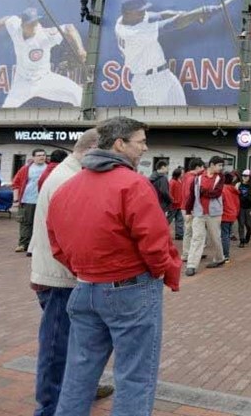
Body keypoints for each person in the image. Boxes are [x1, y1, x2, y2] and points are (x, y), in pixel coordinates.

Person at [47, 117, 181, 415]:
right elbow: (155, 241)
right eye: (141, 142)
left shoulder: (67, 188)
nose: (145, 148)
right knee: (135, 375)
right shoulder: (133, 184)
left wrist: (84, 268)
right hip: (130, 289)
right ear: (120, 144)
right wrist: (163, 271)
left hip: (84, 288)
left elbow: (56, 242)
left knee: (78, 374)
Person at [27, 128, 114, 415]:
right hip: (61, 280)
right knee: (57, 349)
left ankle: (81, 387)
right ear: (92, 151)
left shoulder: (72, 174)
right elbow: (71, 238)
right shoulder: (68, 179)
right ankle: (50, 407)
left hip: (63, 276)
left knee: (78, 345)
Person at [112, 0, 229, 106]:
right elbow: (172, 24)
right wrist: (202, 11)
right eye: (140, 11)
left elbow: (161, 15)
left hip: (165, 76)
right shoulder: (133, 33)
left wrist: (192, 15)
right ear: (128, 13)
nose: (143, 13)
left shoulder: (124, 20)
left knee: (181, 117)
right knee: (155, 123)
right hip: (147, 84)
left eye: (143, 10)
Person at [0, 8, 87, 108]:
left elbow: (69, 28)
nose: (34, 26)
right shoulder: (15, 26)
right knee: (6, 111)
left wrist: (80, 48)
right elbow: (4, 20)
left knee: (78, 93)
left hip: (44, 79)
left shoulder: (45, 35)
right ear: (22, 24)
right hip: (22, 82)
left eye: (35, 22)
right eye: (30, 23)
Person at [185, 156, 226, 276]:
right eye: (219, 165)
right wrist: (188, 212)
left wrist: (203, 191)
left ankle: (219, 259)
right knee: (197, 238)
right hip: (199, 212)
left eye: (222, 166)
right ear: (212, 165)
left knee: (215, 238)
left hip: (214, 213)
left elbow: (216, 193)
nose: (221, 168)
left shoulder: (220, 177)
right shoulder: (197, 178)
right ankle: (191, 265)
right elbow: (192, 195)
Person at [11, 149, 49, 253]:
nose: (42, 157)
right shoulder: (26, 169)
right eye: (39, 155)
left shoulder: (49, 168)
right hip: (28, 200)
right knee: (26, 223)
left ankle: (39, 245)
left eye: (43, 155)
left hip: (43, 200)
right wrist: (16, 199)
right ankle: (23, 244)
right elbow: (16, 183)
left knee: (42, 224)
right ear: (33, 157)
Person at [237, 169, 251, 247]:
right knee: (241, 224)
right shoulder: (238, 184)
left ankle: (248, 235)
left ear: (250, 177)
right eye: (243, 176)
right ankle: (242, 240)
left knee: (249, 225)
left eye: (246, 176)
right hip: (240, 207)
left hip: (249, 208)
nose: (244, 177)